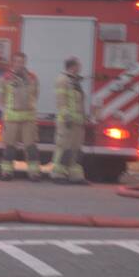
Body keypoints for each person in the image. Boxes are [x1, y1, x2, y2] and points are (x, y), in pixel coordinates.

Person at [0, 52, 42, 181]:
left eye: (22, 62)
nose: (20, 64)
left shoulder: (32, 78)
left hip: (28, 118)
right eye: (17, 61)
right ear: (13, 63)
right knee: (9, 147)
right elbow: (1, 97)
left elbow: (35, 95)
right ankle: (7, 172)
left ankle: (34, 173)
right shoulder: (6, 78)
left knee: (31, 147)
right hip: (12, 118)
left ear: (25, 63)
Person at [51, 57, 88, 185]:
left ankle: (75, 176)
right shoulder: (63, 80)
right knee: (64, 147)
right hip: (67, 121)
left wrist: (83, 118)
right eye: (79, 65)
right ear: (73, 67)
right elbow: (61, 100)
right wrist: (66, 116)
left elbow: (79, 102)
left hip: (77, 122)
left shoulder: (74, 81)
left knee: (75, 148)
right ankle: (58, 174)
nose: (81, 67)